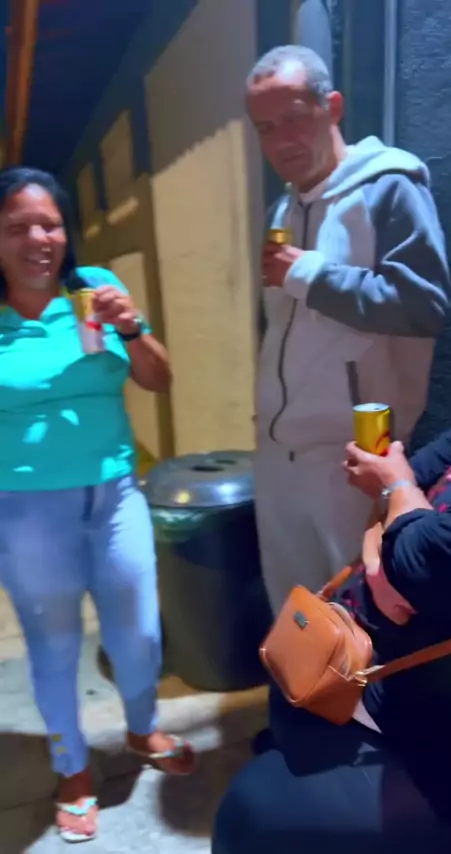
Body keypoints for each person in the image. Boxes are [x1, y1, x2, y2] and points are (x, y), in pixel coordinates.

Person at [0, 167, 194, 844]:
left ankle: (142, 731)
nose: (37, 239)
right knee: (53, 646)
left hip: (115, 497)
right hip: (27, 510)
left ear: (67, 232)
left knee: (138, 633)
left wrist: (132, 327)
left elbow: (159, 379)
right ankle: (73, 769)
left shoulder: (94, 289)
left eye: (49, 224)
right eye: (17, 227)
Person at [213, 410, 451, 853]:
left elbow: (426, 559)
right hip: (366, 662)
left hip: (430, 711)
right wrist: (396, 527)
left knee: (253, 819)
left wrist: (399, 498)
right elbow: (417, 473)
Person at [247, 45, 451, 616]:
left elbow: (422, 306)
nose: (281, 140)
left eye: (294, 117)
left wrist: (309, 275)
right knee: (295, 613)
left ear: (331, 107)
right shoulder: (282, 210)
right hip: (277, 452)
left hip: (352, 457)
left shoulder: (390, 185)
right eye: (266, 128)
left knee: (358, 617)